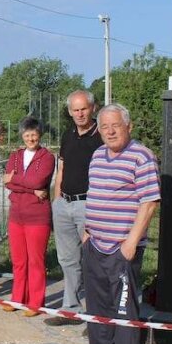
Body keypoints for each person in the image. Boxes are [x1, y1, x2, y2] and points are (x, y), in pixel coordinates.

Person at [75, 103, 160, 344]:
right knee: (97, 302)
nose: (110, 131)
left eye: (116, 126)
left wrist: (132, 242)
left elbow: (149, 203)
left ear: (128, 126)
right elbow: (95, 194)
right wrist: (87, 232)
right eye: (105, 127)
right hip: (95, 243)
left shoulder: (142, 157)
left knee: (124, 307)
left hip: (122, 247)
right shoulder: (98, 154)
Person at [46, 90, 103, 326]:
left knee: (94, 260)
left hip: (89, 204)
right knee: (67, 259)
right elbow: (62, 168)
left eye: (84, 109)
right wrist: (56, 200)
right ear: (69, 112)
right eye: (75, 110)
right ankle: (70, 308)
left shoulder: (101, 136)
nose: (79, 113)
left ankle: (96, 315)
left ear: (93, 109)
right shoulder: (68, 135)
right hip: (65, 204)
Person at [3, 116, 54, 316]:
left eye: (33, 134)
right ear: (22, 135)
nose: (30, 138)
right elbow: (8, 183)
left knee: (35, 260)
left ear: (39, 135)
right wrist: (32, 190)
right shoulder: (15, 156)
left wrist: (16, 179)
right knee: (19, 260)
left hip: (37, 216)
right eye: (27, 135)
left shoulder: (47, 157)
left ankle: (36, 302)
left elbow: (38, 180)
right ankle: (17, 298)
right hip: (17, 215)